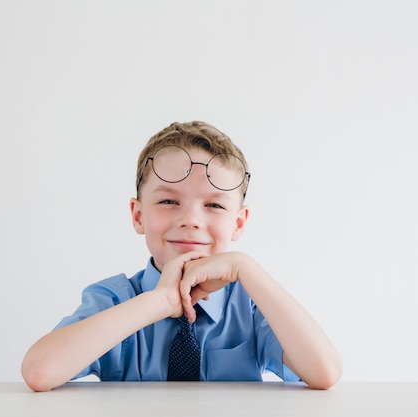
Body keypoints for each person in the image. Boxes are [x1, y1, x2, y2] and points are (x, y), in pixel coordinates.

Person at [21, 121, 342, 392]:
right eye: (168, 202)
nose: (190, 220)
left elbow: (324, 372)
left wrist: (246, 267)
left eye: (214, 205)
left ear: (238, 223)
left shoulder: (251, 304)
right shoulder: (113, 301)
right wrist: (161, 301)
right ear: (138, 215)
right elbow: (39, 371)